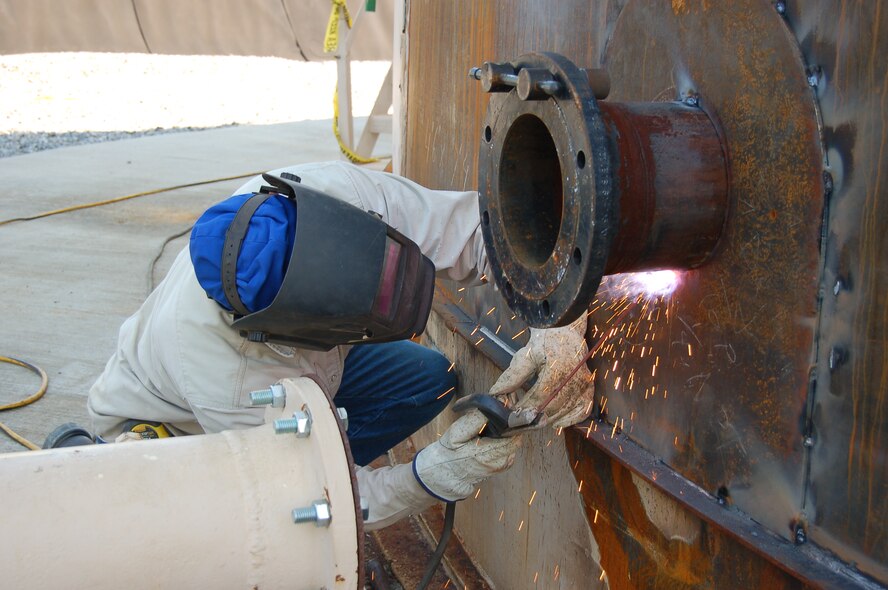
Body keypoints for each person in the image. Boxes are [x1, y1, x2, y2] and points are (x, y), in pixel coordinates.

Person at [83, 161, 594, 529]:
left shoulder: (338, 192)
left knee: (426, 381)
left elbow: (475, 233)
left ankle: (332, 443)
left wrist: (556, 313)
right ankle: (317, 474)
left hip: (304, 366)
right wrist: (428, 476)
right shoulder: (232, 379)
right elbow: (315, 497)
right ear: (287, 326)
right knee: (272, 523)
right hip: (178, 426)